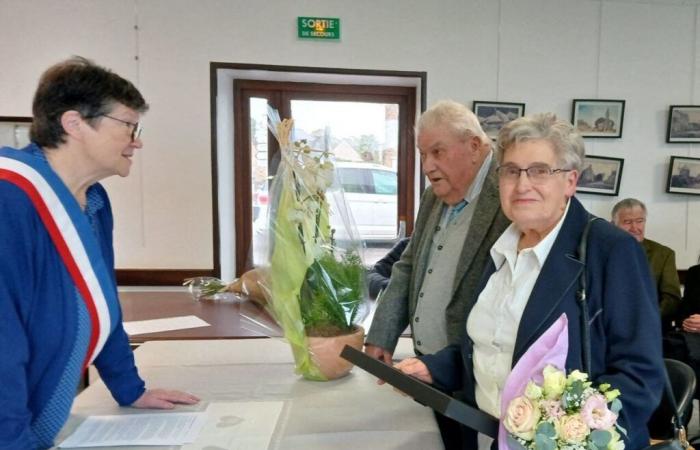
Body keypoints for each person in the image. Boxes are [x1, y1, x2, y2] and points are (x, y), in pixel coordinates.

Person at [394, 113, 664, 449]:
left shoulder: (610, 250)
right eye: (511, 171)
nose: (523, 184)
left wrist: (576, 436)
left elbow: (640, 375)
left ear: (570, 181)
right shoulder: (502, 250)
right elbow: (493, 347)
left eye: (540, 170)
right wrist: (432, 367)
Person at [0, 57, 199, 449]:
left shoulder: (94, 201)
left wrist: (130, 389)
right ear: (74, 124)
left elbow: (101, 303)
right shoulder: (10, 197)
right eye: (129, 125)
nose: (137, 139)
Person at [364, 100, 510, 449]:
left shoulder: (507, 194)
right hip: (426, 367)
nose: (427, 165)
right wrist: (382, 332)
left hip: (475, 371)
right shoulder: (433, 196)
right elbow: (408, 265)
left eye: (437, 152)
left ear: (474, 146)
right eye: (423, 153)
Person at [611, 198, 682, 334]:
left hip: (651, 329)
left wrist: (647, 318)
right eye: (627, 222)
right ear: (613, 224)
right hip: (611, 327)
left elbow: (671, 299)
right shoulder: (602, 252)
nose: (635, 228)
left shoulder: (663, 254)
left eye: (640, 221)